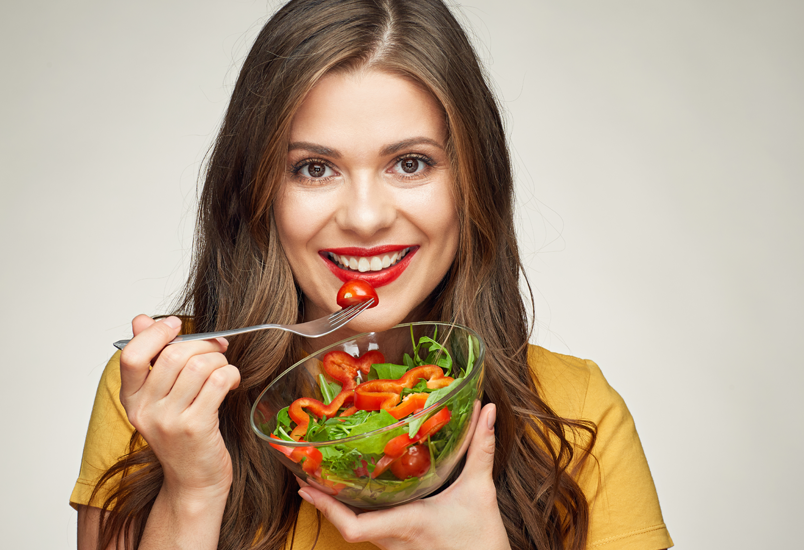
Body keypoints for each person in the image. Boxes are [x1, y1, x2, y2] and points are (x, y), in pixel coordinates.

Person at [71, 1, 672, 549]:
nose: (364, 218)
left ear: (471, 184)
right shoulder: (170, 396)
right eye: (313, 168)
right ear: (257, 191)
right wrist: (192, 493)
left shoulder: (578, 412)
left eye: (410, 163)